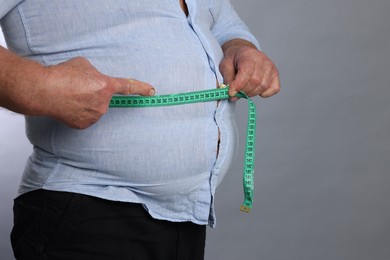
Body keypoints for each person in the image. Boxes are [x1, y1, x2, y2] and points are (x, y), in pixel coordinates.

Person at [0, 0, 280, 259]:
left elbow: (221, 22)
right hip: (87, 210)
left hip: (186, 219)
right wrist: (42, 86)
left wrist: (242, 48)